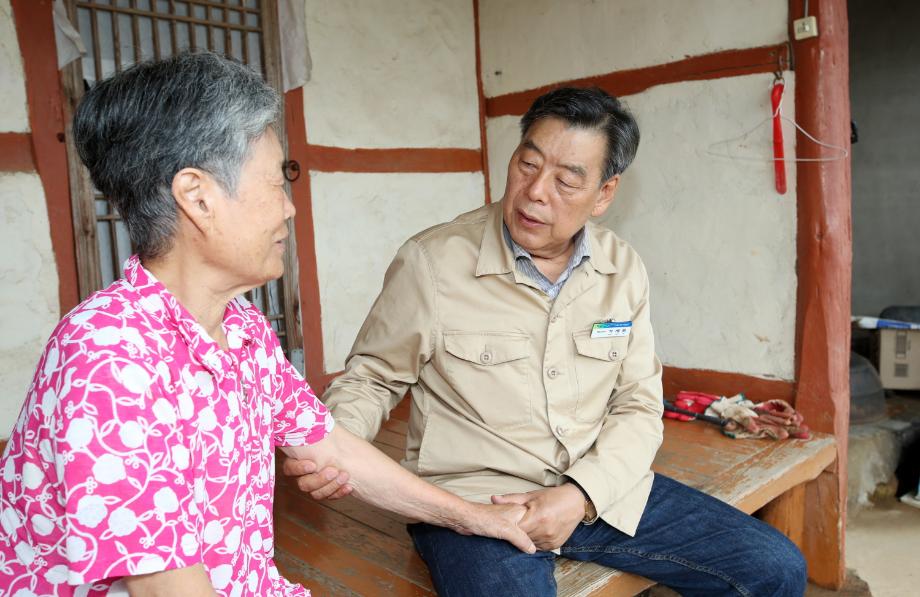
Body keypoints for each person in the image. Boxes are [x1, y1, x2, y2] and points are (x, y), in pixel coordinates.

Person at [0, 51, 534, 597]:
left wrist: (473, 517)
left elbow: (329, 445)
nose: (289, 209)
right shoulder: (108, 359)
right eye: (276, 183)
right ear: (197, 197)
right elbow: (167, 588)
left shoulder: (242, 329)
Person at [286, 87, 808, 596]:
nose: (536, 192)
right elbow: (374, 376)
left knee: (774, 568)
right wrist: (335, 449)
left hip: (598, 488)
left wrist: (581, 495)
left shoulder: (621, 270)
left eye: (567, 180)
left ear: (605, 194)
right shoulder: (434, 262)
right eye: (528, 165)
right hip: (477, 502)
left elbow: (638, 404)